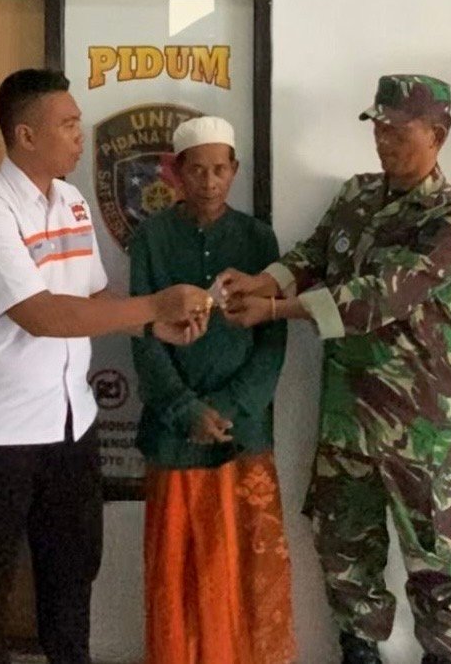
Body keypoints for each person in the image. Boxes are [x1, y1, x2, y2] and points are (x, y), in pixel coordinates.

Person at [0, 68, 212, 664]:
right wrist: (154, 305)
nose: (79, 136)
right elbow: (40, 315)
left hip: (71, 423)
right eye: (67, 124)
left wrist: (150, 325)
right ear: (25, 135)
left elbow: (91, 299)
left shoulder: (73, 202)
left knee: (72, 576)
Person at [222, 75, 451, 664]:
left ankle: (445, 654)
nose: (384, 141)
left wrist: (274, 311)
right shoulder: (357, 195)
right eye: (379, 128)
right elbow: (314, 255)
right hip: (346, 417)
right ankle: (360, 650)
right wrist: (263, 281)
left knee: (436, 560)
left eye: (399, 131)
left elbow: (375, 298)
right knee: (344, 553)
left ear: (438, 135)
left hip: (418, 427)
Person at [129, 115, 295, 664]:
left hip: (242, 432)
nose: (209, 182)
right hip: (174, 433)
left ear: (235, 170)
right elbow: (143, 333)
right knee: (179, 573)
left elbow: (272, 340)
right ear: (175, 173)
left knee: (246, 570)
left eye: (220, 170)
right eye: (196, 170)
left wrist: (229, 406)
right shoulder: (151, 238)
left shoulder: (257, 238)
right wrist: (184, 408)